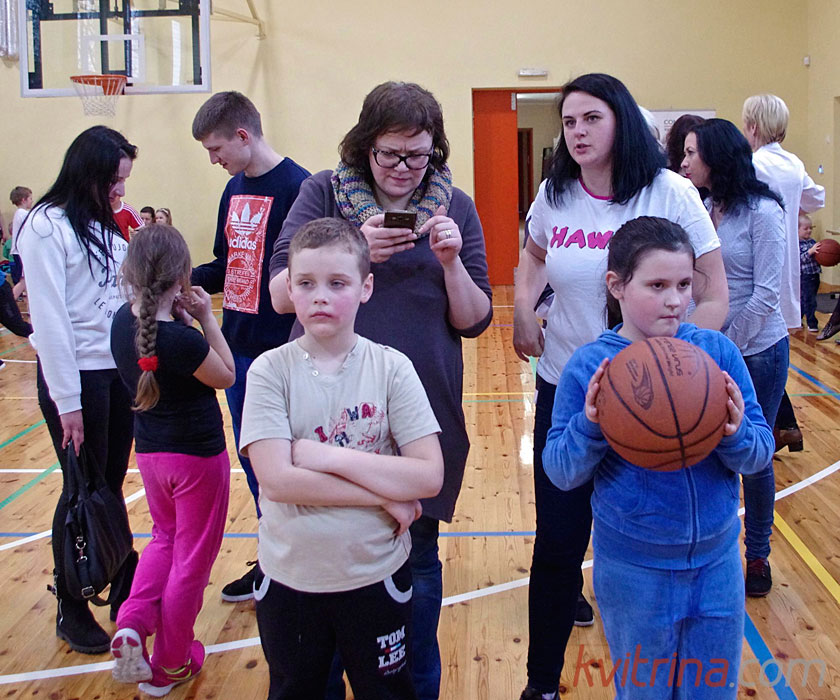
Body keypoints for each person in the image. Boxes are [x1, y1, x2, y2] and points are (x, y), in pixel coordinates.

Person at [267, 81, 492, 700]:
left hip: (419, 415)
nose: (403, 168)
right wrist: (353, 251)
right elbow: (280, 294)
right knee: (322, 571)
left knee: (414, 570)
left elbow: (475, 320)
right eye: (390, 153)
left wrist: (450, 264)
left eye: (418, 156)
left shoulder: (455, 206)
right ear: (365, 145)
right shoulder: (322, 192)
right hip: (323, 410)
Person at [512, 73, 728, 700]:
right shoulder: (555, 193)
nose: (576, 132)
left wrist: (680, 366)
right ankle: (542, 683)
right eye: (569, 122)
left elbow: (714, 292)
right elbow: (533, 255)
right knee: (557, 543)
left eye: (591, 119)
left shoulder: (670, 192)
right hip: (567, 389)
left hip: (655, 404)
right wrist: (524, 306)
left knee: (645, 545)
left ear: (622, 121)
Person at [543, 216, 773, 700]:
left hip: (717, 565)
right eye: (658, 285)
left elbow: (758, 455)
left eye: (684, 285)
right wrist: (592, 426)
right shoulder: (590, 366)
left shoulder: (717, 353)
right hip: (634, 570)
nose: (675, 300)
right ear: (617, 286)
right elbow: (561, 471)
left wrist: (732, 434)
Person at [241, 217, 443, 699]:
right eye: (306, 284)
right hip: (290, 580)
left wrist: (316, 455)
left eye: (337, 283)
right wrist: (383, 496)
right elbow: (277, 481)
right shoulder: (270, 371)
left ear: (365, 287)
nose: (320, 297)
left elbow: (429, 475)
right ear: (290, 289)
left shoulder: (392, 368)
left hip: (374, 574)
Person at [17, 126, 138, 654]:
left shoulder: (102, 226)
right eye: (114, 182)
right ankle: (71, 602)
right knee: (80, 492)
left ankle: (117, 574)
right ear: (88, 173)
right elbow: (49, 321)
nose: (121, 192)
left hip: (115, 373)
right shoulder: (46, 226)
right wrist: (67, 400)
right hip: (77, 379)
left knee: (108, 486)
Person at [191, 91, 310, 600]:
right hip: (235, 350)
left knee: (292, 466)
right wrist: (180, 278)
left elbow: (308, 277)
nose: (213, 160)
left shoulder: (299, 187)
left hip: (283, 352)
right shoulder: (233, 189)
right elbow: (227, 266)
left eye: (216, 149)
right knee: (255, 464)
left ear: (243, 136)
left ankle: (302, 563)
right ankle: (273, 560)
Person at [109, 224, 234, 697]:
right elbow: (226, 375)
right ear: (183, 275)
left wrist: (183, 320)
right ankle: (170, 664)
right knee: (191, 561)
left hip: (151, 454)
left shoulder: (122, 323)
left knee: (164, 538)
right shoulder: (183, 341)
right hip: (197, 458)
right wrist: (205, 319)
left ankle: (132, 622)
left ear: (131, 272)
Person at [683, 118, 787, 598]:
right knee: (707, 449)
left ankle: (758, 553)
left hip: (758, 351)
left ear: (716, 157)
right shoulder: (704, 209)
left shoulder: (764, 211)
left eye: (692, 153)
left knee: (754, 455)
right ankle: (713, 550)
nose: (684, 162)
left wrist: (725, 346)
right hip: (710, 346)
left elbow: (767, 295)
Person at [743, 94, 825, 452]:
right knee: (775, 343)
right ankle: (783, 425)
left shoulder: (753, 165)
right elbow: (816, 199)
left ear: (753, 126)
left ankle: (771, 427)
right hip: (787, 267)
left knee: (757, 348)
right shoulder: (793, 163)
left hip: (756, 262)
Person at [797, 213, 821, 332]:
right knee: (809, 300)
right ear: (797, 230)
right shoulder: (797, 244)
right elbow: (800, 259)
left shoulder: (812, 242)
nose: (809, 231)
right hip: (805, 276)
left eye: (810, 228)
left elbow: (820, 257)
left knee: (807, 298)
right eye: (805, 228)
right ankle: (812, 323)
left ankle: (798, 319)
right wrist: (810, 252)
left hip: (815, 274)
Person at [9, 185, 33, 296]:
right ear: (24, 200)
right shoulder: (22, 214)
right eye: (30, 198)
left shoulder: (20, 214)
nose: (32, 201)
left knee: (27, 280)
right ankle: (9, 301)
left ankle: (29, 305)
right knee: (24, 280)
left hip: (19, 251)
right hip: (20, 251)